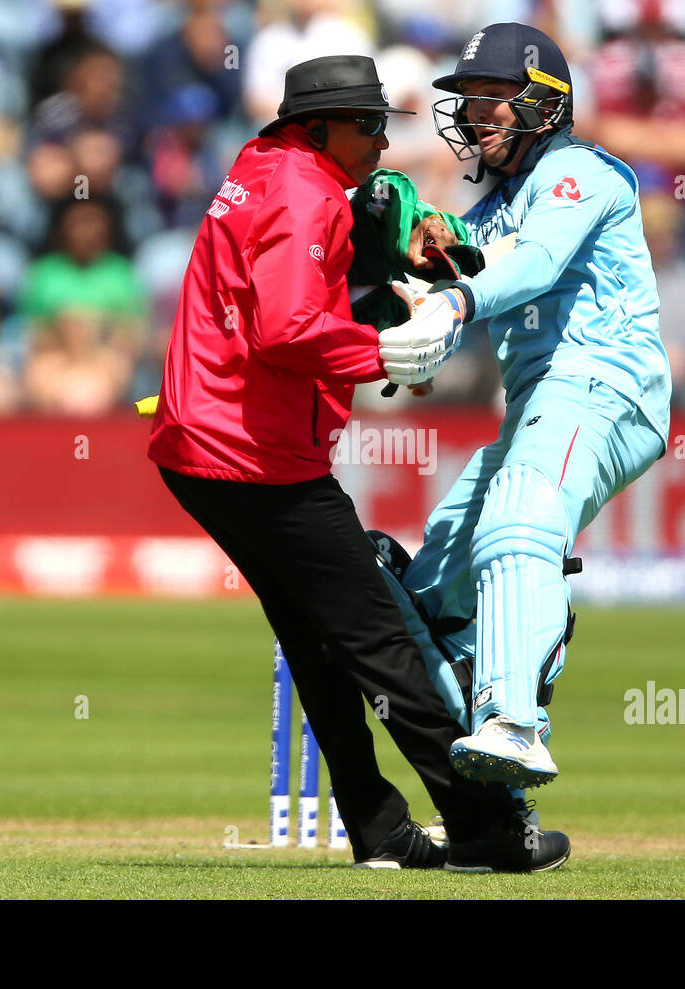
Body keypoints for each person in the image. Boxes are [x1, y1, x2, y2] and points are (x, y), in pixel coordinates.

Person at [146, 54, 570, 871]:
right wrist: (384, 347)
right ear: (316, 130)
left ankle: (379, 829)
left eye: (384, 124)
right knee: (377, 636)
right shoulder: (306, 193)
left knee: (319, 639)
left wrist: (398, 249)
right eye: (367, 125)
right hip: (253, 456)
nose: (382, 140)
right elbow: (286, 330)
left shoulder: (265, 166)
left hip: (204, 447)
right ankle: (481, 826)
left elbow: (354, 230)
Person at [376, 24, 672, 789]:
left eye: (494, 100)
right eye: (469, 104)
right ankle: (492, 785)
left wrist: (455, 301)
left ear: (546, 102)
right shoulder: (491, 214)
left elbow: (534, 264)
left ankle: (516, 725)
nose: (477, 118)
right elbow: (446, 273)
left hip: (607, 382)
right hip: (543, 403)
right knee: (431, 594)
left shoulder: (585, 173)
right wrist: (414, 289)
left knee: (520, 513)